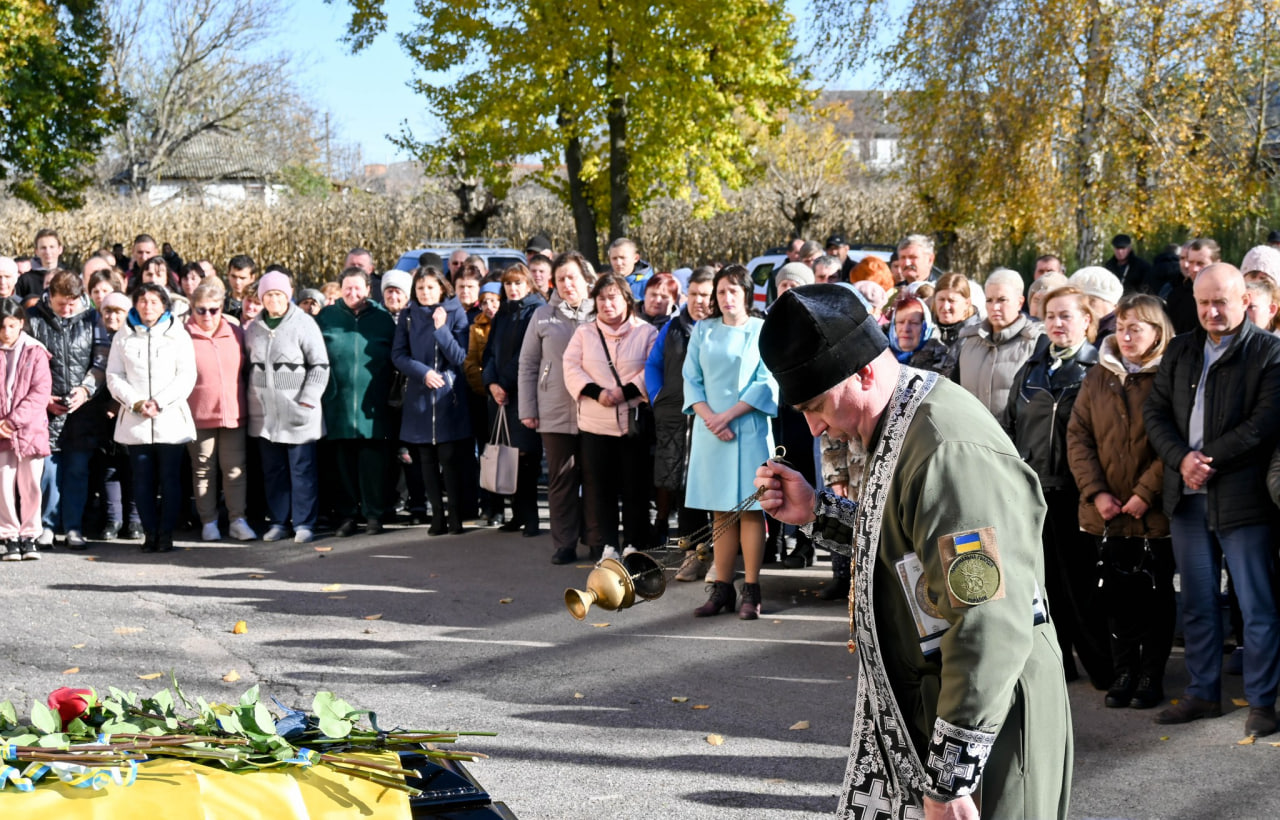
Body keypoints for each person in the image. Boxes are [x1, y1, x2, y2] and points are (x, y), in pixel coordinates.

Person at [754, 284, 1072, 820]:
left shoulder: (946, 450)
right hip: (946, 707)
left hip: (991, 725)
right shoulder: (901, 417)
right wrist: (816, 512)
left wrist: (949, 782)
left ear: (864, 373)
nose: (814, 426)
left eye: (817, 406)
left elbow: (988, 620)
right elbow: (908, 552)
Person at [1144, 263, 1280, 737]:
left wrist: (1208, 459)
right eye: (1203, 303)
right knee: (1198, 604)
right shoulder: (1181, 348)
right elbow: (1155, 412)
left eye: (1221, 301)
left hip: (1244, 498)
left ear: (1245, 300)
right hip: (1187, 499)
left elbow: (1265, 422)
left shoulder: (1269, 352)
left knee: (1257, 607)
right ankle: (1202, 693)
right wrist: (1181, 459)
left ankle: (1262, 703)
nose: (1211, 311)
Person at [1067, 294, 1175, 710]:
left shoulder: (1169, 374)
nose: (1126, 336)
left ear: (1157, 332)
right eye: (1121, 327)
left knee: (1156, 595)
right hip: (1107, 511)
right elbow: (1078, 436)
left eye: (1136, 328)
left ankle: (1151, 673)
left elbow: (1176, 439)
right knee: (1116, 596)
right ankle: (1125, 670)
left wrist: (1145, 493)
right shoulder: (1099, 375)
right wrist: (1097, 492)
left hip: (1154, 510)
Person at [1005, 286, 1108, 689]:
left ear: (1087, 320)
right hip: (1034, 490)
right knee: (1044, 585)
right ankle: (1058, 663)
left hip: (1078, 491)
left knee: (1083, 585)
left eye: (1066, 315)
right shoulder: (1031, 369)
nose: (1057, 323)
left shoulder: (1097, 368)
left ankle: (1103, 667)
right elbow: (1010, 425)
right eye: (1050, 316)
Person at [683, 265, 778, 620]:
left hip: (748, 427)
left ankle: (751, 589)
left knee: (751, 509)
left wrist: (727, 416)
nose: (726, 297)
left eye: (733, 290)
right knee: (721, 510)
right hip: (711, 432)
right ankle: (721, 589)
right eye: (721, 291)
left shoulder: (760, 330)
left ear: (747, 294)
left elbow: (766, 380)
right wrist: (711, 417)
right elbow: (690, 378)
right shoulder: (703, 330)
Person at [562, 271, 657, 561]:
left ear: (627, 299)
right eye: (601, 299)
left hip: (632, 424)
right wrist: (596, 392)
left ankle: (633, 542)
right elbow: (570, 366)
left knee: (634, 487)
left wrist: (625, 392)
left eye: (613, 297)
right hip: (595, 424)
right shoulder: (584, 333)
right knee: (600, 488)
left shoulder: (646, 332)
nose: (607, 304)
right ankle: (609, 544)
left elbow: (652, 369)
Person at [105, 284, 197, 553]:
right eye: (143, 301)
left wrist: (160, 402)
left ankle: (166, 534)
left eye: (155, 301)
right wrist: (135, 402)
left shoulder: (178, 335)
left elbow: (186, 375)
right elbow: (114, 375)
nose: (148, 307)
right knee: (142, 480)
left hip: (170, 420)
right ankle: (150, 533)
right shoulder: (123, 336)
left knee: (170, 479)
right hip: (137, 422)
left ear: (165, 305)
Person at [518, 251, 596, 563]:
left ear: (585, 279)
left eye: (572, 277)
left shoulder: (600, 311)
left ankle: (595, 539)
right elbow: (528, 364)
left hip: (595, 410)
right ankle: (564, 542)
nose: (566, 284)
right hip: (554, 409)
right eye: (560, 279)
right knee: (561, 479)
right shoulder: (542, 315)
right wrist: (528, 408)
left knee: (594, 478)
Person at [244, 272, 330, 544]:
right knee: (274, 471)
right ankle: (279, 521)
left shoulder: (304, 323)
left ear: (288, 296)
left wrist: (308, 399)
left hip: (298, 410)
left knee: (302, 470)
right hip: (265, 414)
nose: (274, 300)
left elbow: (320, 365)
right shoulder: (253, 329)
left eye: (279, 295)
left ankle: (304, 522)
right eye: (268, 295)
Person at [26, 270, 108, 549]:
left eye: (72, 303)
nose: (67, 309)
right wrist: (44, 398)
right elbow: (26, 366)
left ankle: (74, 527)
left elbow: (101, 360)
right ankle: (46, 526)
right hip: (45, 411)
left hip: (81, 411)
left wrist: (85, 390)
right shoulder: (33, 319)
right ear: (50, 296)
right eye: (62, 303)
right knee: (47, 474)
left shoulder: (92, 319)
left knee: (77, 471)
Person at [317, 268, 397, 537]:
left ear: (368, 289)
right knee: (342, 465)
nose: (353, 293)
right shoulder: (326, 317)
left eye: (358, 288)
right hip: (336, 403)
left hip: (373, 405)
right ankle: (347, 516)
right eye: (347, 288)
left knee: (373, 463)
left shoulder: (383, 318)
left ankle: (374, 515)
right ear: (340, 290)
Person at [392, 267, 471, 535]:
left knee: (449, 457)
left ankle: (455, 515)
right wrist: (422, 372)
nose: (425, 293)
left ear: (441, 288)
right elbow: (399, 355)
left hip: (448, 396)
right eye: (420, 288)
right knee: (425, 457)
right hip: (420, 394)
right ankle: (437, 515)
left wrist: (441, 329)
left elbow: (459, 357)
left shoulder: (455, 312)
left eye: (430, 287)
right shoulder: (408, 316)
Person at [647, 266, 714, 580]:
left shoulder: (723, 328)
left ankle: (722, 555)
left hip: (714, 419)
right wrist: (657, 396)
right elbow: (653, 363)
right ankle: (694, 554)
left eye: (706, 295)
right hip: (676, 417)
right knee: (685, 487)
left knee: (715, 487)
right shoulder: (672, 327)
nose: (699, 300)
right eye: (694, 294)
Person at [185, 281, 255, 542]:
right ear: (192, 308)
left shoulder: (235, 333)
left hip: (233, 412)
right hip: (198, 414)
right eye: (201, 310)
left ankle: (238, 519)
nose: (207, 316)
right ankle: (209, 521)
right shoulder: (183, 336)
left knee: (235, 468)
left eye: (213, 310)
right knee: (203, 470)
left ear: (222, 307)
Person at [482, 265, 547, 534]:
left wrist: (503, 383)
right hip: (500, 396)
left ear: (529, 285)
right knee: (506, 455)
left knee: (525, 457)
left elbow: (527, 354)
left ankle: (531, 517)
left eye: (518, 283)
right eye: (508, 284)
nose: (513, 288)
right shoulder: (503, 313)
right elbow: (489, 353)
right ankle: (517, 514)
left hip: (524, 393)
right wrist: (491, 382)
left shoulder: (536, 311)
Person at [951, 268, 1045, 424]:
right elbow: (954, 394)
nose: (994, 307)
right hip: (971, 433)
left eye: (1002, 300)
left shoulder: (1036, 341)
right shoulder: (969, 341)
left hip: (1013, 437)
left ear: (1020, 302)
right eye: (989, 300)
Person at [0, 300, 52, 561]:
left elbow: (40, 392)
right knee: (3, 483)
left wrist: (12, 421)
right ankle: (8, 534)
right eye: (2, 327)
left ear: (21, 323)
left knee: (30, 484)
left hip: (29, 429)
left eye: (12, 325)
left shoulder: (35, 351)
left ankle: (29, 534)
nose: (6, 332)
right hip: (1, 431)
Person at [463, 281, 502, 524]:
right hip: (483, 397)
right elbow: (471, 363)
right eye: (485, 301)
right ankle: (490, 504)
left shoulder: (509, 323)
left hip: (506, 397)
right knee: (487, 453)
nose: (490, 306)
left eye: (494, 301)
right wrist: (486, 387)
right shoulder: (476, 327)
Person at [887, 296, 951, 374]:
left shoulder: (942, 362)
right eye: (901, 322)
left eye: (914, 323)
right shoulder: (877, 354)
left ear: (925, 327)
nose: (906, 329)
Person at [930, 272, 980, 347]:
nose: (945, 307)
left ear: (967, 303)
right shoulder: (924, 331)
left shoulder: (976, 337)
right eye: (941, 299)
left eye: (951, 301)